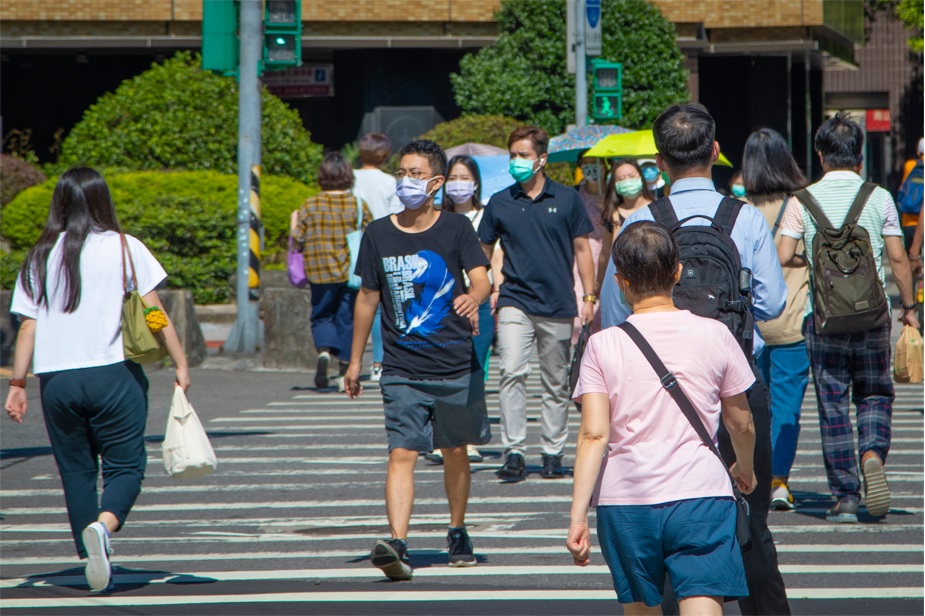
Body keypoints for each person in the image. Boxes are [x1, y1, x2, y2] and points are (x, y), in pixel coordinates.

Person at [599, 103, 790, 615]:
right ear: (715, 151)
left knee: (668, 519)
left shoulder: (642, 220)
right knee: (751, 523)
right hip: (734, 384)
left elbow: (615, 314)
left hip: (656, 392)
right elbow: (773, 304)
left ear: (659, 163)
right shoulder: (744, 217)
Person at [4, 168, 190, 593]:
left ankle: (93, 557)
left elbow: (28, 326)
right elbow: (154, 311)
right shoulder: (125, 248)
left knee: (76, 471)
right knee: (126, 465)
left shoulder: (39, 255)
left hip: (57, 382)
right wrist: (180, 361)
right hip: (114, 375)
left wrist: (17, 385)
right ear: (102, 200)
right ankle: (104, 527)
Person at [568, 221, 756, 616]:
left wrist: (578, 515)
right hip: (701, 493)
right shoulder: (715, 333)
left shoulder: (602, 345)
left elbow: (593, 436)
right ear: (677, 272)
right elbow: (740, 422)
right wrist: (745, 468)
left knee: (642, 607)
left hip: (627, 499)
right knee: (703, 598)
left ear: (620, 282)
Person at [343, 139, 492, 580]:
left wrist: (474, 296)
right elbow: (367, 298)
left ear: (436, 182)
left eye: (415, 174)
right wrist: (354, 361)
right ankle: (398, 542)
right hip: (401, 368)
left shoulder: (456, 228)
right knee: (401, 452)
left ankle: (457, 530)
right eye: (401, 173)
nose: (405, 181)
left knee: (455, 450)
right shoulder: (378, 234)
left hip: (454, 363)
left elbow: (482, 278)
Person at [777, 112, 921, 523]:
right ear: (860, 156)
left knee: (833, 403)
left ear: (820, 155)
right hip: (873, 316)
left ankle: (845, 496)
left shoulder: (801, 200)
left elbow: (783, 254)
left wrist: (810, 259)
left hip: (823, 319)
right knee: (875, 393)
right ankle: (872, 454)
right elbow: (898, 258)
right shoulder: (878, 197)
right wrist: (909, 309)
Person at [478, 125, 596, 482]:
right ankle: (514, 451)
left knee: (555, 382)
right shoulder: (499, 201)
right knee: (511, 371)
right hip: (514, 299)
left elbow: (582, 249)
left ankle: (552, 452)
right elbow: (482, 250)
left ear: (542, 159)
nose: (516, 161)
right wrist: (482, 287)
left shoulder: (567, 199)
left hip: (558, 301)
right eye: (513, 155)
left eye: (523, 155)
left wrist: (589, 296)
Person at [741, 128, 811, 511]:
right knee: (786, 406)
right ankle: (779, 480)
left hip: (749, 326)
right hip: (792, 322)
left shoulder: (738, 209)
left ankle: (752, 477)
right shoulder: (801, 204)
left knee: (754, 407)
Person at [426, 154, 490, 465]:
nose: (458, 184)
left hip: (479, 301)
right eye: (453, 178)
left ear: (476, 183)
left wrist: (488, 294)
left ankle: (468, 438)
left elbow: (497, 260)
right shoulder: (435, 218)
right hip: (442, 304)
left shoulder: (486, 216)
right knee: (440, 371)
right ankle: (443, 437)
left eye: (464, 178)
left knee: (474, 372)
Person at [291, 152, 373, 392]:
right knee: (347, 318)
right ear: (348, 175)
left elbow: (297, 239)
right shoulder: (357, 204)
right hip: (350, 273)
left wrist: (294, 224)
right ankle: (344, 370)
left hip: (319, 272)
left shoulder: (310, 205)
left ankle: (325, 352)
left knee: (322, 315)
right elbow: (372, 234)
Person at [353, 133, 399, 383]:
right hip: (382, 246)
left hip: (350, 248)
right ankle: (378, 363)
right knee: (379, 308)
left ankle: (348, 360)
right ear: (385, 155)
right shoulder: (390, 182)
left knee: (353, 304)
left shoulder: (349, 179)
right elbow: (396, 215)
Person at [573, 151, 607, 340]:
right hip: (580, 257)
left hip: (606, 254)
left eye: (595, 162)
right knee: (581, 314)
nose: (590, 167)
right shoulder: (574, 194)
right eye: (585, 163)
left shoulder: (613, 193)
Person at [600, 158, 655, 244]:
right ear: (615, 184)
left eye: (632, 176)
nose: (627, 181)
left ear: (641, 178)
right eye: (621, 178)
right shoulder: (611, 215)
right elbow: (606, 250)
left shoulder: (658, 207)